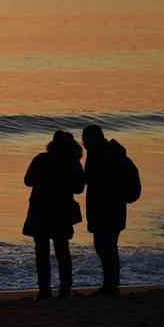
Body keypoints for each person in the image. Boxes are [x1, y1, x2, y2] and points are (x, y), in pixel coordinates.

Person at [22, 130, 85, 300]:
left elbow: (28, 181)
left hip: (40, 210)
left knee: (41, 252)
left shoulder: (41, 159)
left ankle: (44, 290)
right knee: (62, 251)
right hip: (62, 211)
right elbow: (79, 188)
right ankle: (65, 289)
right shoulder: (73, 163)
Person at [82, 125, 141, 296]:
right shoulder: (115, 153)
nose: (83, 145)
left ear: (92, 140)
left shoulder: (98, 155)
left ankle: (110, 285)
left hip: (103, 210)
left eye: (85, 141)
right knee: (108, 247)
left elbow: (89, 178)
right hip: (116, 209)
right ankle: (112, 284)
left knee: (104, 247)